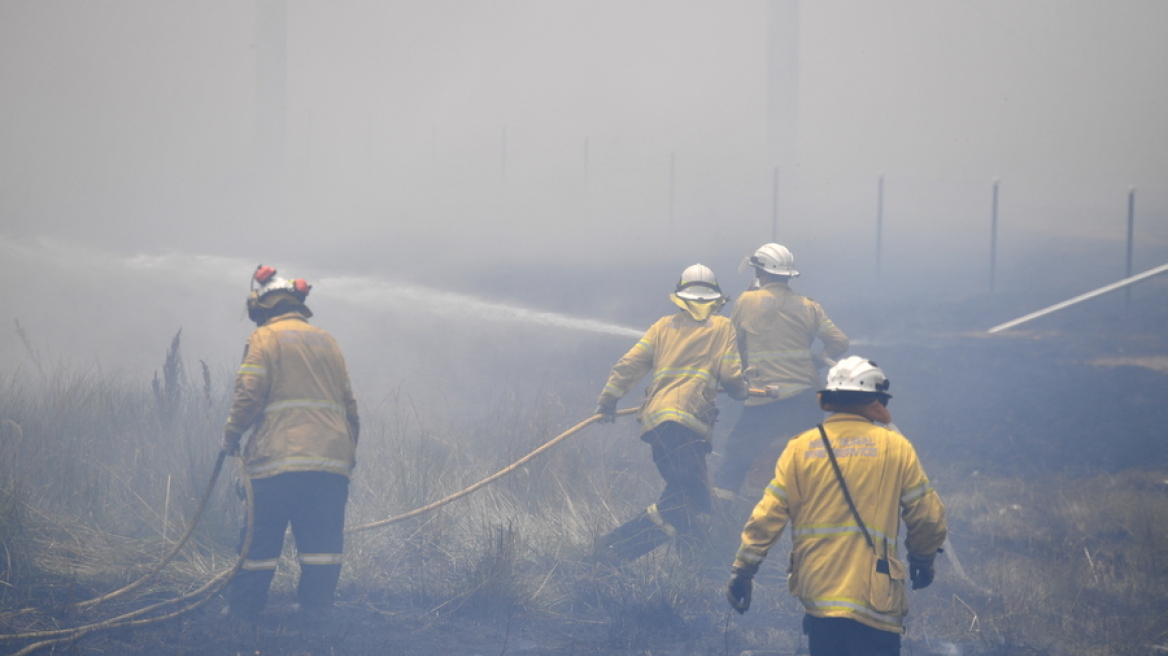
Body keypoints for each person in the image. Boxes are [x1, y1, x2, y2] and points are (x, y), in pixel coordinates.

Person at [725, 356, 946, 656]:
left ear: (828, 399)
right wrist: (922, 559)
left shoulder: (800, 447)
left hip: (819, 594)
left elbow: (767, 515)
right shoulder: (894, 447)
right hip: (875, 596)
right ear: (876, 400)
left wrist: (743, 570)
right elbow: (928, 517)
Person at [222, 265, 360, 620]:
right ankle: (317, 612)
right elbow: (350, 407)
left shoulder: (264, 338)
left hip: (277, 460)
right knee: (322, 546)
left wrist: (231, 435)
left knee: (260, 542)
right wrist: (347, 454)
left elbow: (249, 394)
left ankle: (243, 613)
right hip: (331, 461)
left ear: (263, 308)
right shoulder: (328, 341)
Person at [592, 264, 749, 563]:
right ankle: (615, 549)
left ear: (680, 298)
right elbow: (731, 375)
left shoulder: (661, 327)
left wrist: (608, 400)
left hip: (658, 424)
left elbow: (629, 365)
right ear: (715, 300)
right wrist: (741, 390)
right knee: (687, 499)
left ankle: (692, 564)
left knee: (694, 498)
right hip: (687, 422)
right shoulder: (722, 327)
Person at [712, 243, 849, 503]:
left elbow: (732, 343)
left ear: (759, 273)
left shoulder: (747, 301)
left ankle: (719, 512)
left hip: (765, 397)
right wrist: (816, 361)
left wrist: (736, 377)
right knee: (809, 468)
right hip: (807, 400)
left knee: (736, 458)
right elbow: (839, 341)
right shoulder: (809, 306)